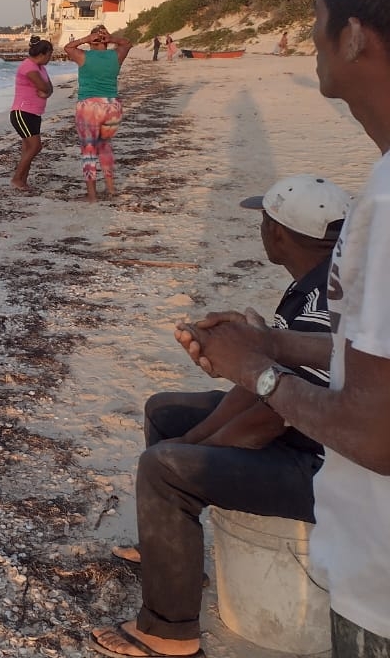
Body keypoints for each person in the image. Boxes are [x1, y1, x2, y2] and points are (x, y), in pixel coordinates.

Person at [174, 0, 390, 658]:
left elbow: (376, 429)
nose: (309, 35)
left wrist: (258, 371)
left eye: (317, 14)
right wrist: (268, 342)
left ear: (356, 34)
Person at [90, 174, 350, 658]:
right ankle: (171, 554)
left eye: (263, 221)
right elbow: (265, 381)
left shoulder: (318, 302)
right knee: (165, 413)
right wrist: (194, 440)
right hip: (309, 431)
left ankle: (169, 633)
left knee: (164, 469)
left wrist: (194, 454)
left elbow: (273, 418)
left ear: (276, 233)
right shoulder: (325, 277)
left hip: (327, 468)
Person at [64, 24, 133, 202]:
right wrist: (113, 39)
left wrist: (85, 39)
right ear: (106, 40)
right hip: (112, 107)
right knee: (105, 146)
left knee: (89, 150)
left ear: (92, 40)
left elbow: (68, 48)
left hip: (89, 106)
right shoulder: (116, 55)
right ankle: (110, 189)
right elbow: (127, 43)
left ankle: (92, 196)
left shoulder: (83, 56)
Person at [10, 38, 54, 193]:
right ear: (42, 54)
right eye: (49, 55)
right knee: (36, 146)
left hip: (35, 113)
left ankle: (22, 181)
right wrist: (45, 90)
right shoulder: (28, 66)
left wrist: (46, 91)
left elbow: (50, 89)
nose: (50, 58)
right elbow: (44, 87)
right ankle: (16, 178)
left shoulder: (41, 68)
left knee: (28, 148)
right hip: (23, 112)